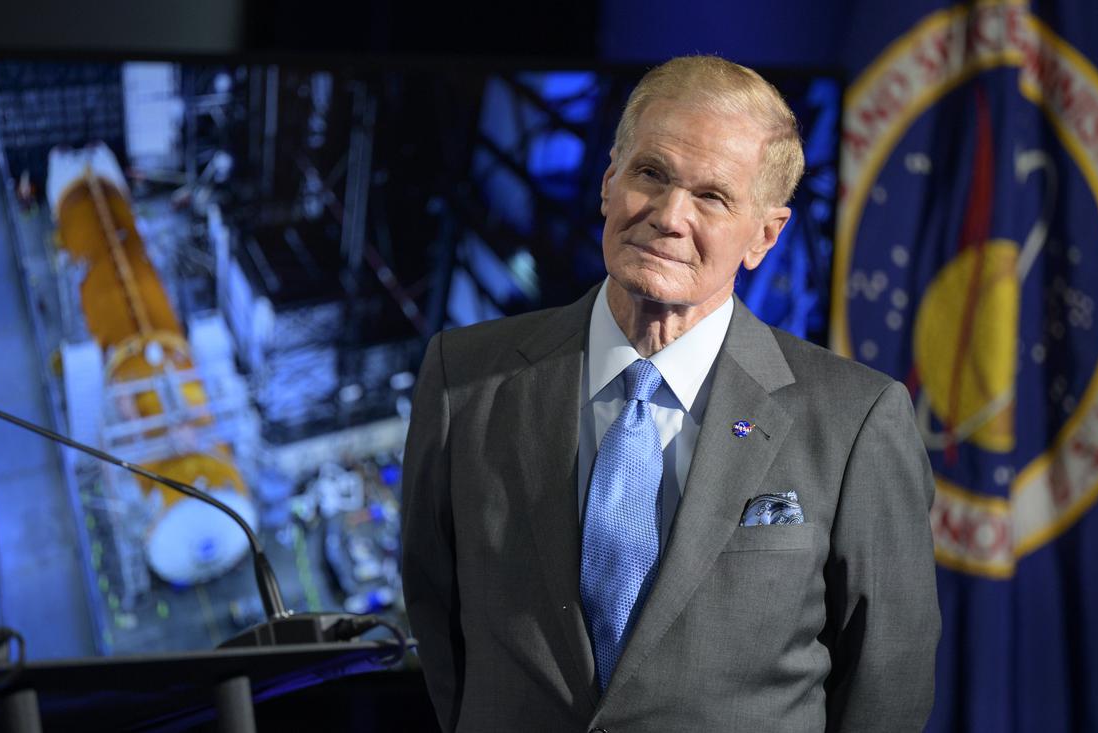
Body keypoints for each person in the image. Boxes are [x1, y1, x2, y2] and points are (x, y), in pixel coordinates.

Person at [400, 55, 939, 732]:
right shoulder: (464, 379)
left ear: (765, 235)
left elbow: (887, 685)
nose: (669, 216)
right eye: (651, 174)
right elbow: (437, 620)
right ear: (609, 182)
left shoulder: (855, 420)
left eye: (712, 196)